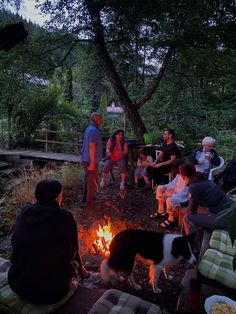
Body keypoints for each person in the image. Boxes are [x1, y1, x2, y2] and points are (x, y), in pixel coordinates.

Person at [8, 179, 93, 305]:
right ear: (58, 198)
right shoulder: (65, 218)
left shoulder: (24, 212)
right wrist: (82, 272)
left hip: (18, 283)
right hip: (52, 292)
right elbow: (74, 252)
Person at [180, 163, 234, 237]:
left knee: (188, 218)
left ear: (183, 175)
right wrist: (183, 204)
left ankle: (192, 243)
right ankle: (191, 238)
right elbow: (194, 199)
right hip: (231, 210)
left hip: (225, 218)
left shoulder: (194, 186)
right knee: (197, 212)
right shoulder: (204, 179)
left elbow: (192, 210)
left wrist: (179, 208)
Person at [150, 160, 189, 228]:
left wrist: (170, 195)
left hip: (183, 197)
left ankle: (171, 219)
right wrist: (165, 187)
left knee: (169, 200)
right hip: (175, 192)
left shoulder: (188, 178)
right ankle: (161, 211)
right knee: (160, 188)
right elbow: (173, 184)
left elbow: (184, 193)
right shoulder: (178, 175)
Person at [81, 112, 103, 205]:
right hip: (90, 160)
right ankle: (89, 202)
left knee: (88, 179)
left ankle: (85, 198)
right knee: (91, 181)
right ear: (96, 119)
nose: (102, 121)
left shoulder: (89, 129)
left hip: (86, 159)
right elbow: (92, 146)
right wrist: (93, 162)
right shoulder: (94, 131)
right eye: (100, 119)